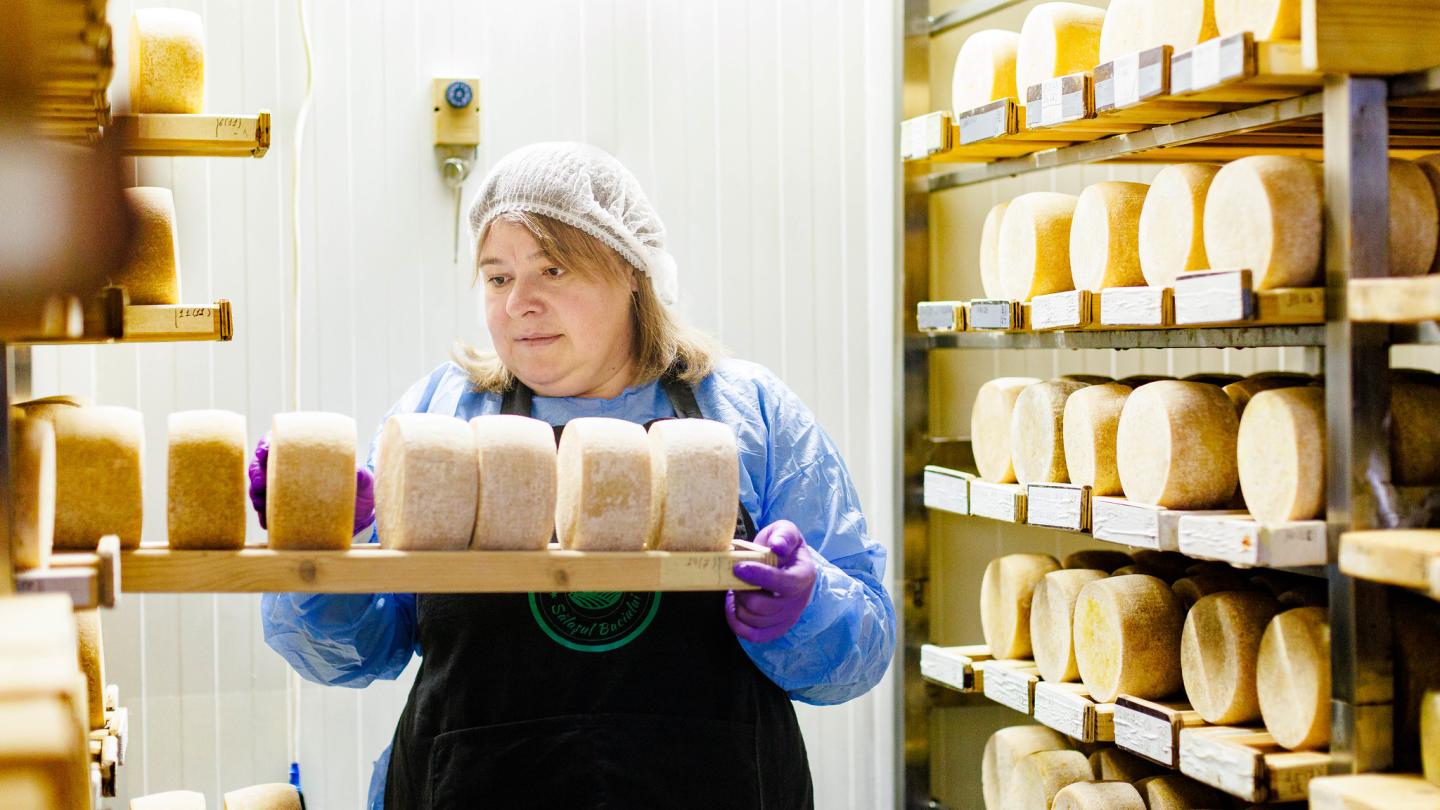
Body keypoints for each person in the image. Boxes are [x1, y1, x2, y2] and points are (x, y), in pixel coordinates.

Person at [253, 142, 895, 810]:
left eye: (552, 270)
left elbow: (861, 654)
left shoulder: (748, 415)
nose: (517, 304)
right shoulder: (440, 419)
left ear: (632, 270)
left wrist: (808, 605)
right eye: (498, 278)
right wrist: (321, 550)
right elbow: (346, 652)